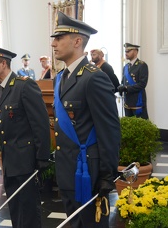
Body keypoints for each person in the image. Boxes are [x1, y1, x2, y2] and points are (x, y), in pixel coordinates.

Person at [51, 11, 120, 227]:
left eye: (59, 38)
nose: (54, 43)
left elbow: (109, 129)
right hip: (68, 169)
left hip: (88, 173)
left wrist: (107, 174)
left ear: (77, 41)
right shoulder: (62, 77)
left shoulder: (94, 78)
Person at [0, 42, 50, 228]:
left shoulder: (24, 86)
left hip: (26, 162)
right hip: (10, 162)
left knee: (28, 210)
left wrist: (42, 157)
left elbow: (40, 123)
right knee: (15, 208)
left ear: (4, 63)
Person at [118, 43, 149, 119]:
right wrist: (121, 87)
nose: (126, 53)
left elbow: (142, 84)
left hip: (137, 101)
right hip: (127, 101)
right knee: (129, 126)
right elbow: (123, 82)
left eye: (128, 51)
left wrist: (126, 88)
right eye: (125, 51)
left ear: (135, 52)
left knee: (140, 127)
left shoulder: (142, 65)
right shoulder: (126, 67)